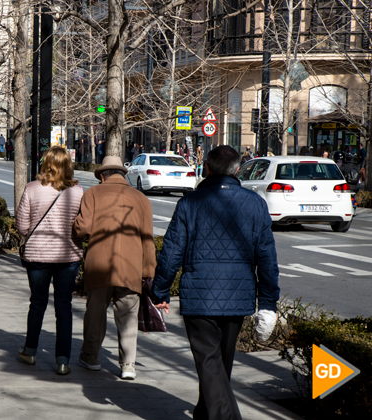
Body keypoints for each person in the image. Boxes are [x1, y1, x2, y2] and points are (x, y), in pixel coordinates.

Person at [152, 145, 280, 420]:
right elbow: (267, 258)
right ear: (237, 169)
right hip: (238, 296)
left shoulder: (190, 202)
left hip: (199, 296)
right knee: (220, 364)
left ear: (206, 168)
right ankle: (205, 413)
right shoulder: (255, 203)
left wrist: (160, 290)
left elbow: (171, 252)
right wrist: (268, 302)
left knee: (211, 365)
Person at [72, 156, 156, 380]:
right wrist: (148, 271)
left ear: (102, 175)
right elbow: (148, 239)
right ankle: (128, 365)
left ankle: (91, 357)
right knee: (128, 315)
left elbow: (82, 228)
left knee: (95, 313)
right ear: (123, 174)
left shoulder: (92, 194)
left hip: (99, 264)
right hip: (131, 266)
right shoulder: (141, 199)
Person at [15, 147, 84, 376]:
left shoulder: (32, 189)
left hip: (38, 255)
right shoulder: (78, 192)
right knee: (64, 306)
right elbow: (81, 227)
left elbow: (23, 226)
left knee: (37, 303)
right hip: (68, 256)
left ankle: (30, 350)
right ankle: (63, 360)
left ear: (46, 163)